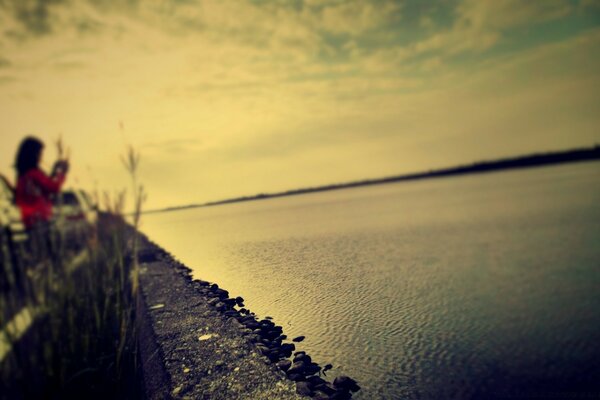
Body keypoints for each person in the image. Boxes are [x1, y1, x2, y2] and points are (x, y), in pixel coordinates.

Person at [14, 136, 69, 266]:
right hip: (40, 221)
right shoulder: (34, 173)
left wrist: (54, 172)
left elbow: (43, 186)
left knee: (39, 258)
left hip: (30, 221)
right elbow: (53, 187)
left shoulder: (23, 175)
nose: (41, 157)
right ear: (33, 154)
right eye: (39, 153)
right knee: (49, 259)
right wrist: (62, 174)